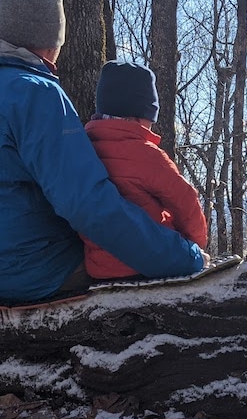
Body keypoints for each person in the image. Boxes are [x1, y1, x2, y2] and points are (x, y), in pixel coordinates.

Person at [0, 0, 204, 303]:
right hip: (26, 269)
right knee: (116, 263)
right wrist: (183, 256)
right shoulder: (34, 92)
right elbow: (88, 204)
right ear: (50, 42)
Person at [81, 59, 209, 279]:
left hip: (100, 266)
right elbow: (185, 199)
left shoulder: (84, 150)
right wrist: (195, 246)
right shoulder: (145, 154)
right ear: (142, 116)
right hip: (151, 261)